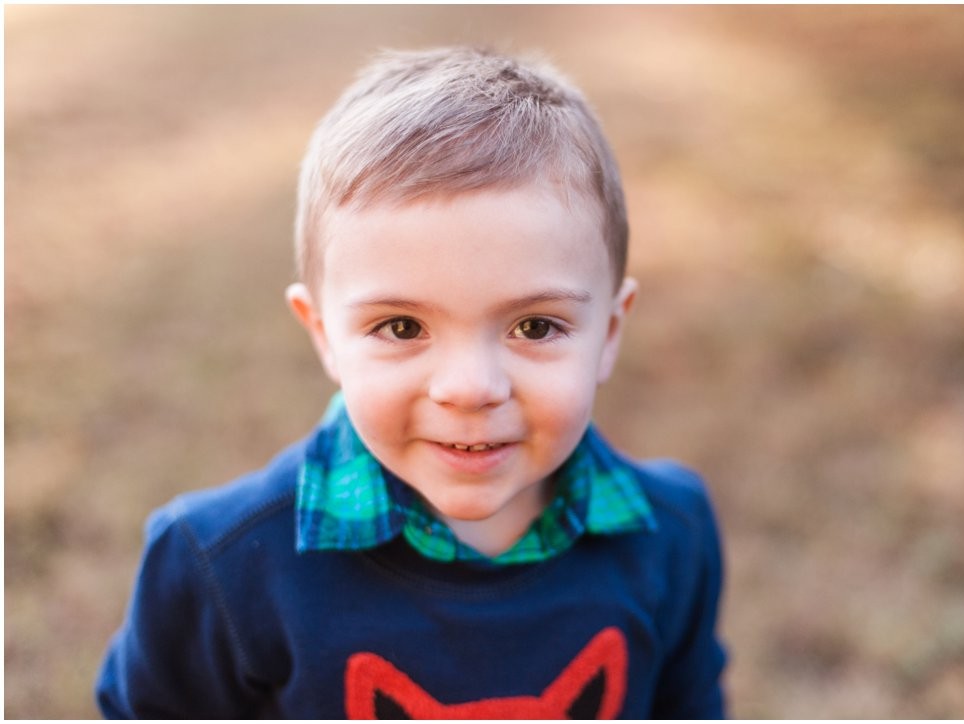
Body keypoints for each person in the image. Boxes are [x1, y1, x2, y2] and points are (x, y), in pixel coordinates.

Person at [96, 46, 728, 719]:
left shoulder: (673, 533)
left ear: (608, 331)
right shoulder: (217, 567)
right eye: (401, 328)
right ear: (323, 336)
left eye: (536, 327)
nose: (471, 388)